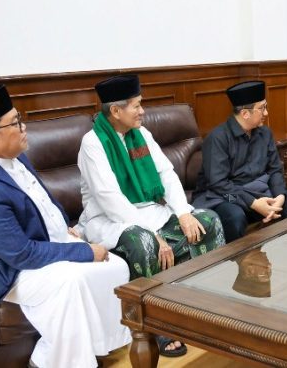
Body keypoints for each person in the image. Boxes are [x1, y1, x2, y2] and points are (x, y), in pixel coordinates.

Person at [0, 85, 131, 368]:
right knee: (71, 282)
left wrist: (63, 227)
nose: (24, 127)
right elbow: (20, 255)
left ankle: (98, 349)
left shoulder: (14, 155)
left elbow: (41, 199)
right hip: (12, 269)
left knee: (115, 266)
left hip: (43, 242)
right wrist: (84, 251)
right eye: (15, 123)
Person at [77, 74, 226, 357]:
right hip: (110, 220)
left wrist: (183, 213)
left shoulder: (142, 135)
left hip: (151, 210)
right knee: (144, 243)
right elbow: (109, 198)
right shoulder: (92, 143)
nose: (142, 111)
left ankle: (205, 309)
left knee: (208, 222)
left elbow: (166, 174)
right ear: (116, 111)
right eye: (136, 105)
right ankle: (157, 326)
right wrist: (153, 234)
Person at [192, 80, 287, 242]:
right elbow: (218, 183)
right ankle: (237, 258)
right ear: (245, 113)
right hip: (226, 196)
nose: (266, 113)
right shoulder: (217, 138)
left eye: (266, 107)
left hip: (260, 192)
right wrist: (253, 203)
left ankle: (284, 250)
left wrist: (279, 197)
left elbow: (275, 169)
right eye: (262, 108)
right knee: (235, 216)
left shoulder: (265, 133)